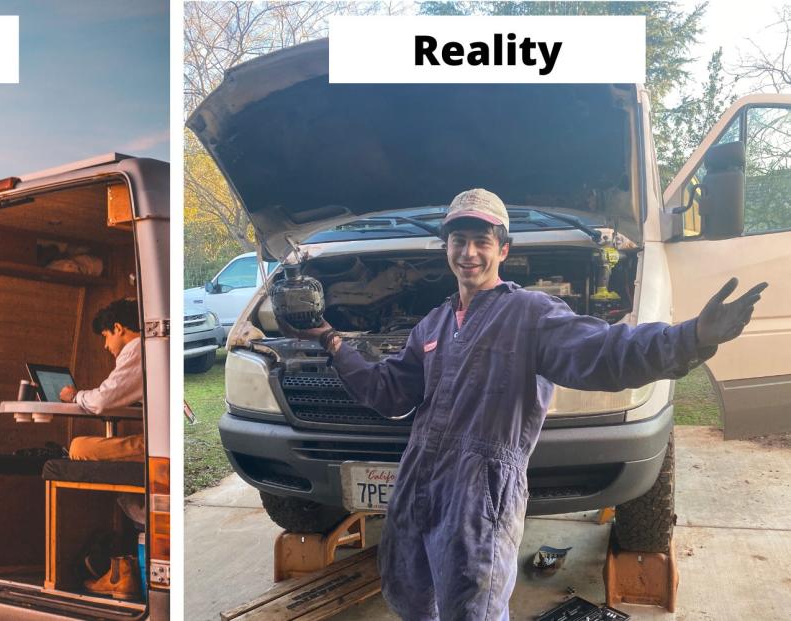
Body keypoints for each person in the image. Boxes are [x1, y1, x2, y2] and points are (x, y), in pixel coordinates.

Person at [280, 188, 767, 620]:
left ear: (503, 250)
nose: (468, 252)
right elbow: (388, 393)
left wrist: (691, 338)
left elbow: (607, 352)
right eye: (458, 240)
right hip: (417, 484)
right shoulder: (432, 324)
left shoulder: (530, 314)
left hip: (481, 493)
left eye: (482, 241)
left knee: (474, 606)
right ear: (446, 249)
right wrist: (332, 341)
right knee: (409, 593)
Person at [58, 297, 145, 461]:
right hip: (161, 437)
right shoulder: (153, 346)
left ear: (118, 328)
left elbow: (102, 401)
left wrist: (75, 396)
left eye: (105, 336)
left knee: (78, 447)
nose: (105, 345)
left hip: (158, 444)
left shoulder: (137, 349)